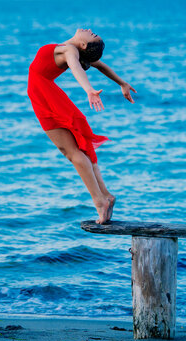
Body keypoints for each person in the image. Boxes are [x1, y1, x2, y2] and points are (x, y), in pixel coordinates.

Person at [27, 28, 136, 224]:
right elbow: (101, 66)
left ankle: (100, 201)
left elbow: (76, 68)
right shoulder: (74, 51)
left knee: (71, 152)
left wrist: (89, 90)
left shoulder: (69, 50)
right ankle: (105, 195)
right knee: (76, 149)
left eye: (92, 35)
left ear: (84, 45)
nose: (90, 30)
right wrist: (122, 83)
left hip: (44, 95)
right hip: (45, 92)